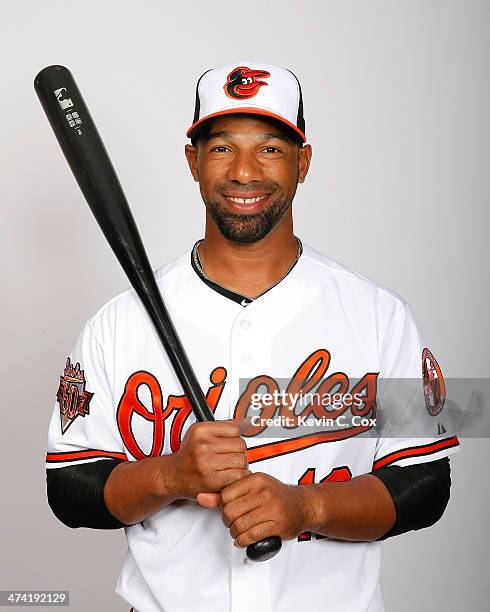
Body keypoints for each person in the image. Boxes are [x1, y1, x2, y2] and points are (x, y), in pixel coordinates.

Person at [46, 62, 460, 612]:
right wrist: (171, 474)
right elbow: (71, 489)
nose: (244, 171)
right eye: (221, 149)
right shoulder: (116, 325)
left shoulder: (380, 315)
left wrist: (305, 508)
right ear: (192, 160)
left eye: (270, 149)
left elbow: (426, 484)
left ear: (302, 163)